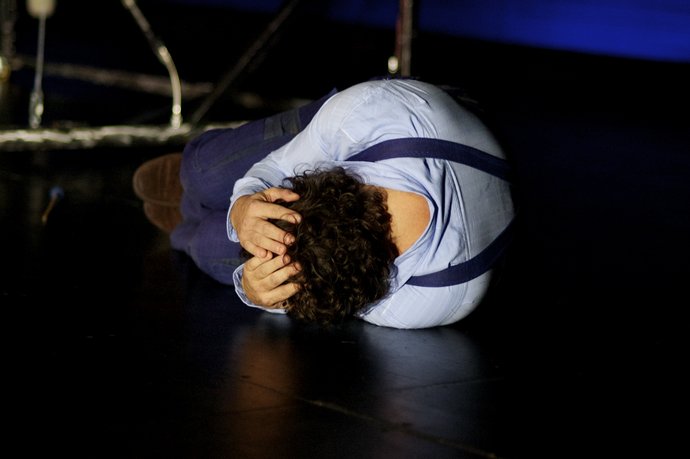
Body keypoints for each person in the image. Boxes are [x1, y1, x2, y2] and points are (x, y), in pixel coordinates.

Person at [133, 77, 516, 329]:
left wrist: (256, 295)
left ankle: (189, 222)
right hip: (366, 137)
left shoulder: (438, 299)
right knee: (203, 174)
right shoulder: (373, 112)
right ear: (328, 176)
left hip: (431, 212)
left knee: (207, 247)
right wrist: (242, 208)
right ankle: (194, 193)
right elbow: (278, 165)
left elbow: (333, 298)